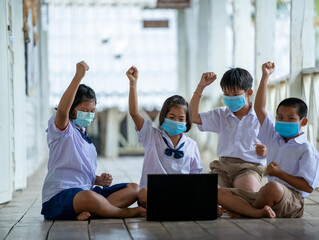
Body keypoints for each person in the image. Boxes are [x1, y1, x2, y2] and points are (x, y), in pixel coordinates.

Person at [41, 61, 146, 221]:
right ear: (72, 108)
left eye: (92, 111)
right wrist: (78, 76)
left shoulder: (87, 140)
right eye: (84, 111)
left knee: (133, 189)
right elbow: (62, 110)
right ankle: (124, 213)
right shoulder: (62, 130)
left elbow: (81, 173)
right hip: (59, 196)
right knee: (89, 198)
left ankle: (94, 212)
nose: (89, 115)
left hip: (85, 192)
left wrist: (97, 179)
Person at [217, 62, 319, 218]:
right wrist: (265, 76)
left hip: (292, 200)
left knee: (272, 187)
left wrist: (280, 174)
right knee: (216, 191)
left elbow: (308, 187)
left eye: (291, 118)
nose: (284, 121)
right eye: (280, 117)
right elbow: (259, 108)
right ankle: (254, 211)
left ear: (303, 122)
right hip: (265, 194)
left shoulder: (307, 150)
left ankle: (243, 210)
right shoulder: (274, 137)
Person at [126, 66, 203, 207]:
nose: (176, 121)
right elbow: (134, 113)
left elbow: (195, 176)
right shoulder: (151, 135)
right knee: (142, 193)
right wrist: (133, 83)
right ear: (164, 116)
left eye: (181, 119)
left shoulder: (192, 145)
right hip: (154, 193)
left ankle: (172, 207)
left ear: (187, 121)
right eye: (172, 117)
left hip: (180, 193)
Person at [190, 69, 267, 192]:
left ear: (249, 93)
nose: (230, 98)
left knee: (250, 193)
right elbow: (193, 117)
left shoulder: (260, 116)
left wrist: (266, 150)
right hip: (222, 168)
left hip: (248, 168)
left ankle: (231, 201)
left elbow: (276, 143)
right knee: (204, 193)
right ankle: (229, 201)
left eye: (235, 95)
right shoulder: (220, 114)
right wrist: (201, 87)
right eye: (226, 94)